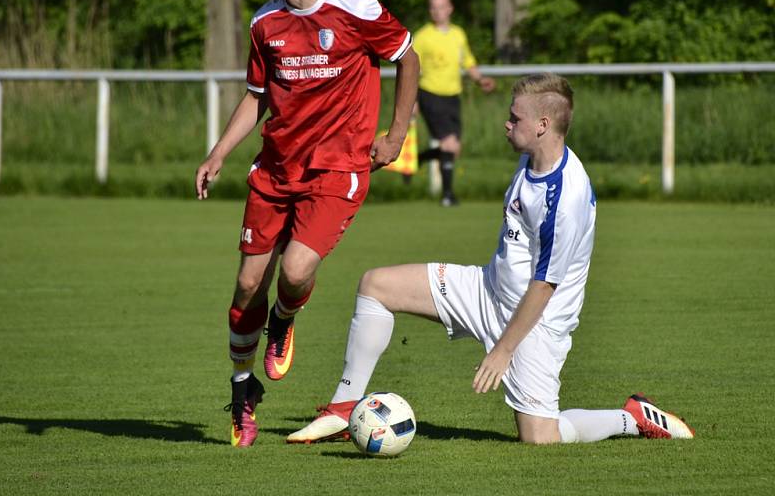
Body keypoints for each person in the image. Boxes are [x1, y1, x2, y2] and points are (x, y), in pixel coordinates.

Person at [288, 73, 694, 445]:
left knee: (541, 438)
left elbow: (544, 286)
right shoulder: (531, 157)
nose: (507, 123)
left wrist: (503, 350)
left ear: (543, 125)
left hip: (536, 322)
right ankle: (343, 409)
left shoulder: (566, 197)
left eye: (515, 118)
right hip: (487, 289)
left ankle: (632, 417)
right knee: (376, 286)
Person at [195, 0, 419, 449]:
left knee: (294, 270)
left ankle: (284, 316)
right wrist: (218, 152)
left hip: (337, 170)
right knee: (248, 282)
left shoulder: (357, 11)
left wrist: (396, 135)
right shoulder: (264, 23)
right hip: (275, 171)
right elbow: (257, 96)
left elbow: (407, 57)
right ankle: (242, 389)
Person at [412, 0, 496, 206]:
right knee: (449, 144)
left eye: (442, 6)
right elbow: (411, 69)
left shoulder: (458, 34)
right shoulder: (423, 37)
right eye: (433, 6)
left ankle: (417, 159)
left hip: (452, 97)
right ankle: (448, 196)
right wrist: (412, 101)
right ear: (430, 10)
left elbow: (468, 62)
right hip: (430, 94)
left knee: (454, 150)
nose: (438, 11)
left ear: (450, 8)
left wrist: (481, 80)